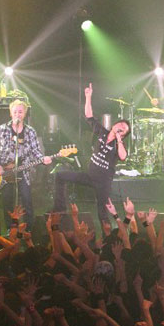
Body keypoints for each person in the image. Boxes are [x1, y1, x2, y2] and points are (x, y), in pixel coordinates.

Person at [53, 82, 129, 227]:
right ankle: (59, 210)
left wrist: (119, 139)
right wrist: (88, 97)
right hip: (89, 176)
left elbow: (123, 156)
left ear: (124, 135)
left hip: (103, 183)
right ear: (114, 124)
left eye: (123, 129)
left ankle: (108, 234)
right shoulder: (102, 132)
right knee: (60, 176)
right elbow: (89, 116)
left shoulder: (119, 145)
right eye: (120, 124)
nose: (120, 127)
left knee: (102, 213)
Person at [0, 98, 51, 231]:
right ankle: (10, 229)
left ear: (25, 113)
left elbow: (36, 151)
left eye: (20, 112)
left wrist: (43, 159)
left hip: (24, 171)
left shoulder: (30, 131)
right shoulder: (2, 129)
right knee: (7, 201)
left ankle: (29, 230)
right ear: (10, 113)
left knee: (27, 200)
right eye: (15, 111)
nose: (18, 114)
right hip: (5, 172)